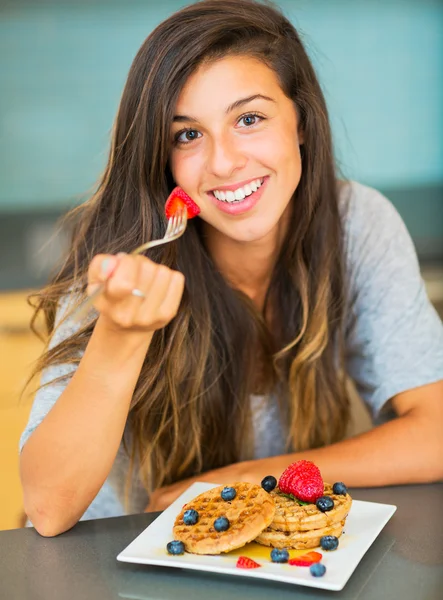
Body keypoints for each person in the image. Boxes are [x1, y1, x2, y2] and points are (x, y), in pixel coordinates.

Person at [19, 0, 443, 537]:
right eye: (188, 135)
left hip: (261, 553)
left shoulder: (358, 224)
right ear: (163, 156)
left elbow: (435, 434)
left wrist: (243, 481)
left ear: (302, 122)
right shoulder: (121, 258)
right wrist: (120, 336)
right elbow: (48, 510)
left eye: (249, 119)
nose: (223, 162)